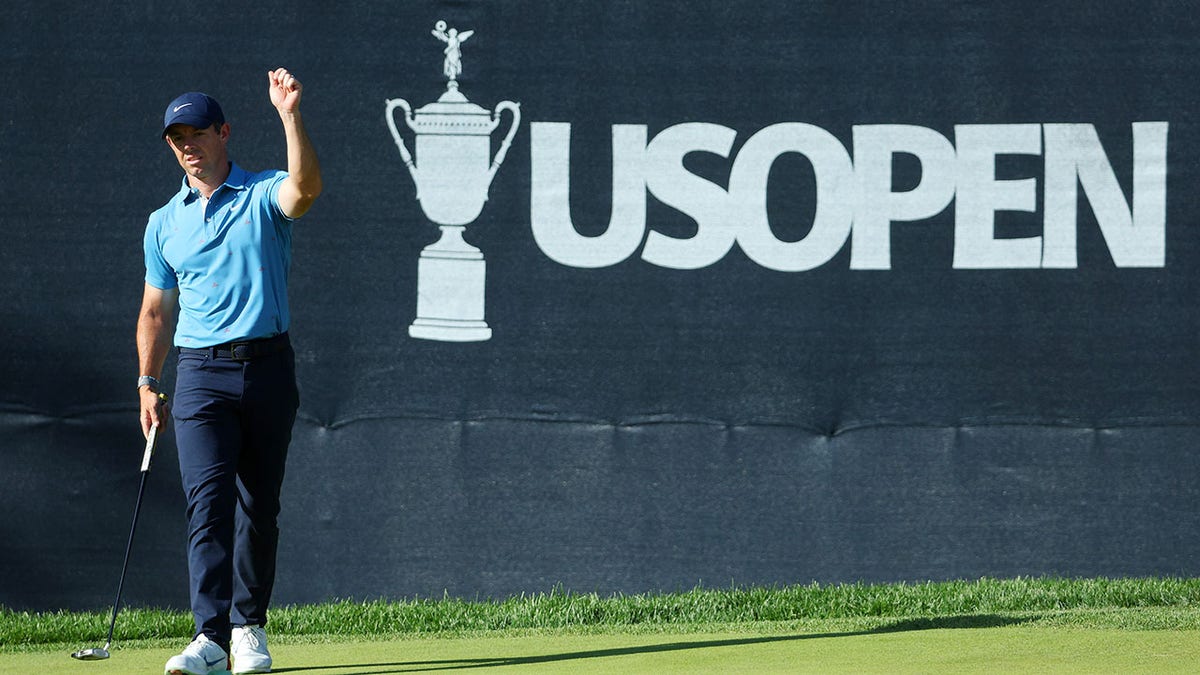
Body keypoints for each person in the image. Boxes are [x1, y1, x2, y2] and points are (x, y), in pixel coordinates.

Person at [136, 68, 322, 675]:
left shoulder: (264, 192)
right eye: (177, 137)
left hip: (268, 368)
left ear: (224, 132)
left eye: (197, 132)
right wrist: (147, 382)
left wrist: (290, 115)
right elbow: (156, 311)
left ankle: (250, 629)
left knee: (258, 505)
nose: (187, 144)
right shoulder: (164, 223)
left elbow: (306, 190)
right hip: (198, 377)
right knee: (206, 505)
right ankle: (210, 637)